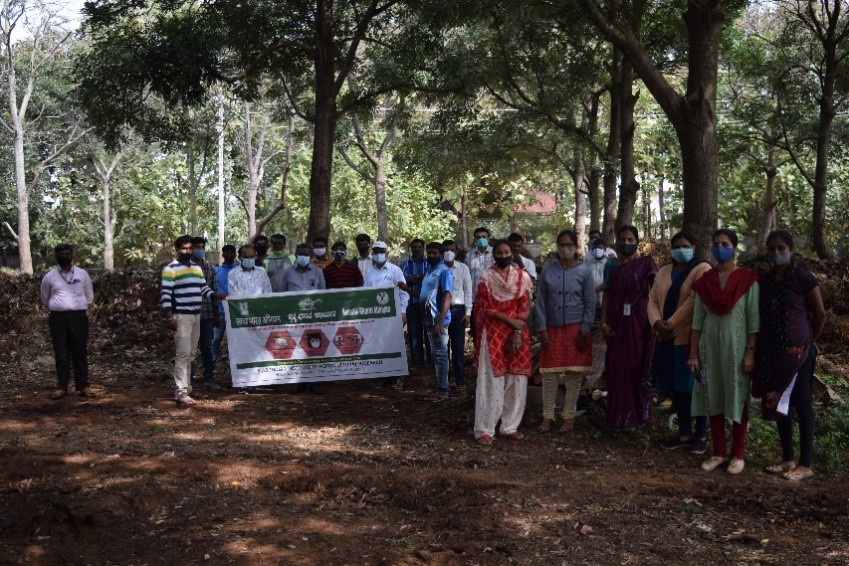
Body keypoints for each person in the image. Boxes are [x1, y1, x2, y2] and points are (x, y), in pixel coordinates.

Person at [688, 228, 759, 474]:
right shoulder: (705, 282)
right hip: (710, 349)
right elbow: (697, 321)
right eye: (716, 244)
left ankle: (738, 454)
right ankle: (719, 452)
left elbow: (754, 320)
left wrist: (750, 351)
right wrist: (693, 354)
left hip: (738, 350)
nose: (720, 248)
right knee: (714, 397)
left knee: (738, 398)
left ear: (734, 247)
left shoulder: (748, 280)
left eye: (725, 244)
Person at [757, 231, 825, 481]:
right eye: (772, 248)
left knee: (802, 404)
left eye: (781, 248)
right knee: (779, 404)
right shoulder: (766, 281)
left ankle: (806, 464)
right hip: (773, 354)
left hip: (799, 355)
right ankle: (787, 458)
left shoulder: (803, 279)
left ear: (791, 250)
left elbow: (819, 314)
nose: (776, 253)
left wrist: (808, 342)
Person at [647, 232, 711, 453]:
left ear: (693, 247)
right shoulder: (664, 272)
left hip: (691, 338)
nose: (680, 249)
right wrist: (657, 323)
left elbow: (695, 301)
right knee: (679, 389)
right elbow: (652, 299)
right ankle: (684, 433)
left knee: (696, 387)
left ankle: (701, 435)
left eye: (685, 245)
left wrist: (670, 324)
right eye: (676, 246)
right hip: (666, 340)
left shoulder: (702, 270)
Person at [535, 230, 596, 433]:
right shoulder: (548, 270)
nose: (565, 248)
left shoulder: (585, 271)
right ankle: (547, 416)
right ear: (557, 246)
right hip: (552, 329)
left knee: (573, 376)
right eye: (561, 245)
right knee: (550, 376)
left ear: (576, 246)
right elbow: (541, 301)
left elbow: (590, 303)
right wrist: (542, 328)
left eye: (569, 245)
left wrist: (585, 329)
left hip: (576, 329)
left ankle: (568, 416)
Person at [473, 239, 533, 446]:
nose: (503, 255)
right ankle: (485, 429)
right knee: (493, 381)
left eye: (506, 251)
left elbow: (524, 305)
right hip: (493, 334)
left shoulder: (522, 277)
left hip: (518, 335)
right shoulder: (486, 278)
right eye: (499, 252)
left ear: (512, 253)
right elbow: (486, 309)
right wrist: (511, 321)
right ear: (494, 255)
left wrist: (517, 330)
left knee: (516, 380)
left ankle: (510, 426)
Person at [600, 225, 658, 433]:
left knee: (637, 366)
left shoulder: (646, 264)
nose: (626, 243)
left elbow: (653, 295)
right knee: (616, 368)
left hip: (639, 323)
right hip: (616, 324)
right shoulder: (612, 267)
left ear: (637, 242)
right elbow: (607, 293)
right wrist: (603, 322)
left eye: (630, 240)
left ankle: (638, 417)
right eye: (622, 239)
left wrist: (654, 322)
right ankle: (617, 418)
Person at [161, 235, 225, 405]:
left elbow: (203, 288)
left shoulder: (197, 269)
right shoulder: (171, 269)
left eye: (190, 248)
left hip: (197, 315)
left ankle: (187, 390)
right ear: (177, 249)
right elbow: (166, 294)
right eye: (184, 248)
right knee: (182, 353)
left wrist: (215, 295)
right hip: (181, 316)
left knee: (190, 354)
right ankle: (180, 392)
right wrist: (169, 317)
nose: (188, 251)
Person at [40, 244, 96, 399]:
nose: (64, 255)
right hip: (58, 319)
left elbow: (89, 296)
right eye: (61, 253)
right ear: (56, 256)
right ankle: (62, 387)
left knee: (80, 351)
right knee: (61, 352)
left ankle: (83, 385)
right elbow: (45, 298)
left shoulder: (82, 274)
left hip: (78, 318)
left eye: (67, 253)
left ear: (72, 255)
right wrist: (59, 306)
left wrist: (78, 307)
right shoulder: (49, 277)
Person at [363, 241, 410, 388]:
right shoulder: (370, 273)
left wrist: (403, 312)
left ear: (387, 253)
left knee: (395, 345)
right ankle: (383, 376)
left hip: (394, 314)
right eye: (375, 251)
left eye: (381, 251)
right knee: (379, 346)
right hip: (376, 317)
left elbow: (404, 293)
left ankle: (397, 377)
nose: (378, 254)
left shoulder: (395, 270)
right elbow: (365, 294)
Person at [421, 242, 454, 401]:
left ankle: (443, 390)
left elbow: (447, 296)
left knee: (441, 355)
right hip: (428, 318)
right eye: (429, 253)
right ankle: (440, 387)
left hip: (437, 319)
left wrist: (440, 321)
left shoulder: (444, 271)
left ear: (440, 254)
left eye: (434, 253)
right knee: (435, 354)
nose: (431, 255)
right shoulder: (429, 270)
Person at [190, 236, 221, 391]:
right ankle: (188, 379)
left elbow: (214, 290)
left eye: (202, 246)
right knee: (189, 348)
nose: (200, 249)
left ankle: (209, 378)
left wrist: (217, 314)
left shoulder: (210, 269)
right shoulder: (185, 268)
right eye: (197, 246)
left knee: (206, 347)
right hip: (189, 314)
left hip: (207, 314)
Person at [443, 240, 472, 391]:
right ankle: (443, 381)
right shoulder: (438, 269)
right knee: (443, 348)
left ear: (456, 250)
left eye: (452, 249)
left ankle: (460, 380)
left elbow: (468, 291)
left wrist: (468, 313)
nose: (449, 252)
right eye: (446, 249)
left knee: (458, 348)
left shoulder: (463, 268)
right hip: (442, 312)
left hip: (458, 311)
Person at [584, 237, 609, 388]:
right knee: (590, 335)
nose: (598, 249)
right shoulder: (586, 261)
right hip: (589, 303)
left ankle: (600, 373)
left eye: (601, 246)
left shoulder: (610, 261)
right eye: (596, 246)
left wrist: (597, 292)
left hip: (604, 302)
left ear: (605, 248)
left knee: (602, 333)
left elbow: (609, 281)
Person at [402, 238, 429, 368]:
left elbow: (429, 279)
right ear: (410, 248)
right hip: (411, 303)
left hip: (428, 304)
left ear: (423, 248)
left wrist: (415, 279)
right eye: (414, 247)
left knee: (429, 333)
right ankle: (417, 363)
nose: (417, 249)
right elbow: (403, 281)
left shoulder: (429, 263)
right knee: (414, 334)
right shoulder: (404, 265)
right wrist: (416, 279)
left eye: (419, 247)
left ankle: (431, 361)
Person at [466, 227, 494, 348]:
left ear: (488, 238)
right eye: (478, 237)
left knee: (492, 331)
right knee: (476, 331)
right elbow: (467, 278)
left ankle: (493, 361)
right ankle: (478, 360)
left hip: (492, 301)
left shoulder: (495, 254)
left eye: (484, 237)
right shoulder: (469, 256)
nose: (481, 239)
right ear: (474, 239)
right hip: (474, 301)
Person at [212, 244, 238, 366]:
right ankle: (211, 364)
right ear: (222, 255)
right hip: (221, 311)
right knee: (215, 340)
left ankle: (232, 366)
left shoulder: (239, 270)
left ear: (235, 254)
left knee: (233, 341)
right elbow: (213, 290)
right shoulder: (216, 271)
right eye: (226, 252)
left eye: (231, 252)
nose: (228, 255)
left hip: (235, 311)